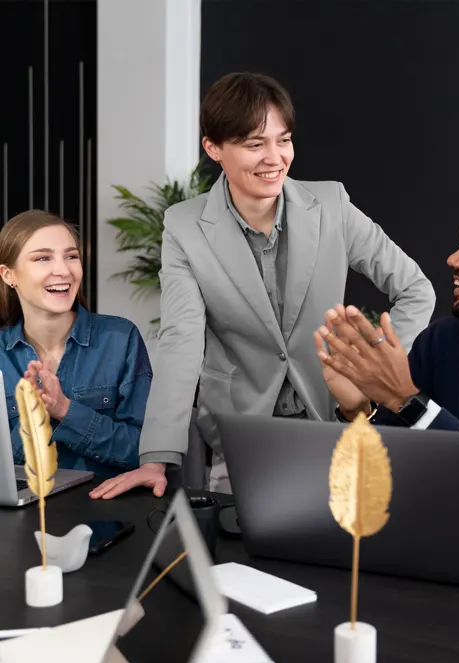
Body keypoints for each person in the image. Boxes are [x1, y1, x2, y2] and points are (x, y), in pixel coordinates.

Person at [90, 71, 435, 500]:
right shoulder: (183, 226)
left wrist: (369, 373)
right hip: (239, 435)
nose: (275, 157)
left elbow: (416, 289)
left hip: (331, 424)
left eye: (283, 139)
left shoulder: (332, 204)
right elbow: (182, 339)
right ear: (213, 148)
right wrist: (156, 457)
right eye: (255, 144)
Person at [314, 173, 459, 531]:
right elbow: (383, 470)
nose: (453, 259)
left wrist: (408, 401)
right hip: (421, 548)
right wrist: (358, 411)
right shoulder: (442, 341)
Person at [0, 210, 152, 478]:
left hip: (105, 514)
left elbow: (146, 451)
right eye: (43, 258)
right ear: (8, 274)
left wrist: (65, 410)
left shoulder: (120, 338)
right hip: (22, 517)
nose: (63, 270)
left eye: (71, 256)